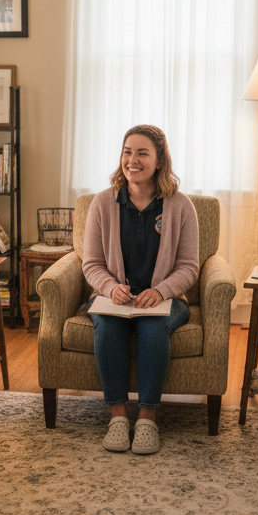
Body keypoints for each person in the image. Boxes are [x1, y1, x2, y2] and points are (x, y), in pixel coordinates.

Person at [83, 124, 199, 455]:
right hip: (114, 300)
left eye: (142, 153)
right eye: (127, 152)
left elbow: (189, 267)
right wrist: (109, 288)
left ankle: (147, 418)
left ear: (160, 161)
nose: (132, 160)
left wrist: (161, 291)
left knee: (152, 326)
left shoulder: (181, 206)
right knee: (107, 323)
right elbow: (91, 263)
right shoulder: (102, 203)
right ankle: (118, 416)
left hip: (165, 301)